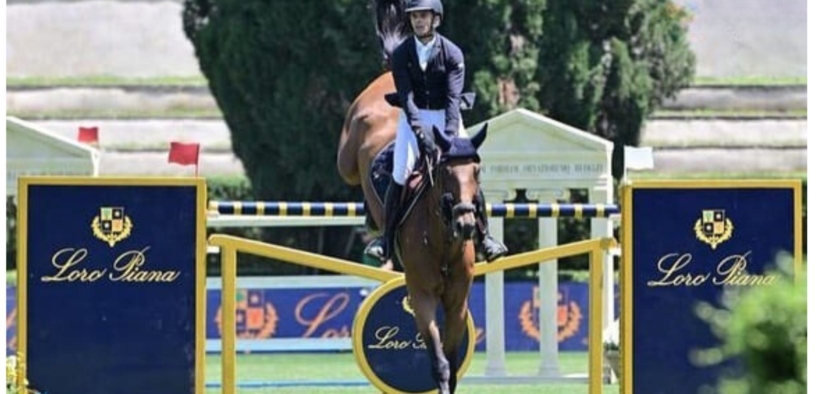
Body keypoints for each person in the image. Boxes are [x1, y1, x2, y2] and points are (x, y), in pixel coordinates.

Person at [364, 0, 507, 265]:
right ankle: (386, 240)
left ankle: (485, 237)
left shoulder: (453, 54)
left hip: (446, 116)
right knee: (401, 170)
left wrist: (448, 140)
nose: (418, 21)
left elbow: (453, 101)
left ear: (435, 19)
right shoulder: (402, 55)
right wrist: (420, 135)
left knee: (464, 168)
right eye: (415, 16)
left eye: (424, 16)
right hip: (413, 116)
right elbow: (407, 99)